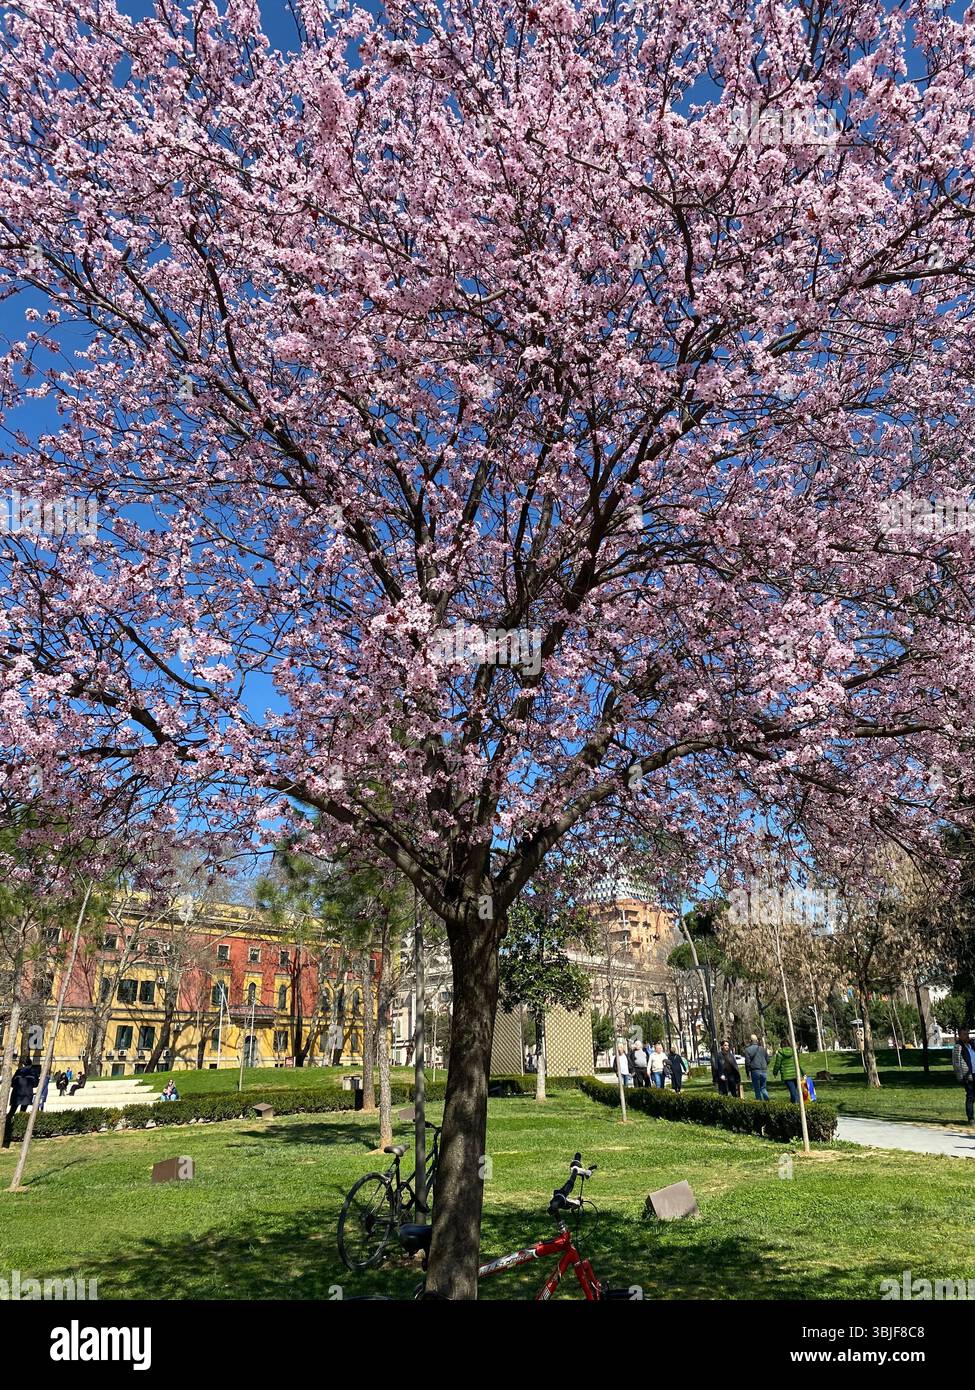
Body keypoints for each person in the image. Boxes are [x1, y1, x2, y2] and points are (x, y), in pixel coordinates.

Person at [952, 1027, 975, 1122]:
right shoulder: (958, 1047)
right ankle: (971, 1119)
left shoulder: (972, 1045)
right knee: (970, 1096)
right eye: (964, 1034)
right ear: (960, 1035)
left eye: (967, 1034)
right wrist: (961, 1077)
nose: (967, 1036)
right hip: (967, 1075)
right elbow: (956, 1063)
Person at [744, 1034, 771, 1101]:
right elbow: (768, 1060)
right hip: (763, 1070)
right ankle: (768, 1102)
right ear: (757, 1040)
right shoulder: (763, 1049)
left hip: (755, 1071)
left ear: (750, 1041)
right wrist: (765, 1065)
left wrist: (748, 1073)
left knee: (757, 1089)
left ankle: (759, 1103)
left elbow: (747, 1063)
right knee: (763, 1088)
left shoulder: (747, 1050)